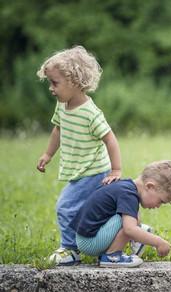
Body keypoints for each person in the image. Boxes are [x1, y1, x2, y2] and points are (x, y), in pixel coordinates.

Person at [36, 46, 122, 265]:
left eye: (55, 83)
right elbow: (58, 129)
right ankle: (128, 232)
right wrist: (48, 154)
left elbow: (110, 139)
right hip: (78, 170)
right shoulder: (63, 105)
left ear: (74, 81)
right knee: (89, 210)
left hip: (93, 171)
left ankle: (70, 249)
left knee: (65, 207)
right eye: (50, 83)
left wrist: (116, 169)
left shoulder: (90, 113)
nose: (51, 88)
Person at [69, 160, 171, 268]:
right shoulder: (128, 194)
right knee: (130, 224)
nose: (158, 206)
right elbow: (129, 229)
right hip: (89, 242)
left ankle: (136, 239)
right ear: (150, 187)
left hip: (86, 238)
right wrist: (158, 242)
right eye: (161, 201)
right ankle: (112, 256)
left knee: (132, 217)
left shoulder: (126, 186)